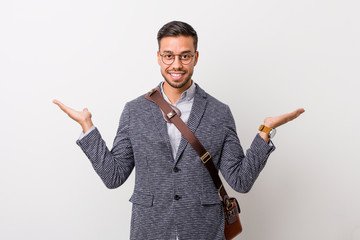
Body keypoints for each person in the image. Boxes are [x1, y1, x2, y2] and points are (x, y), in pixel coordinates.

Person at [53, 21, 304, 240]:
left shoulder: (219, 112)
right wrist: (87, 127)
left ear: (195, 57)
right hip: (150, 230)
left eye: (185, 56)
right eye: (169, 55)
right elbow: (113, 176)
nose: (177, 64)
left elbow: (241, 180)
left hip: (204, 230)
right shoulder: (134, 110)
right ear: (159, 57)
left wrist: (265, 130)